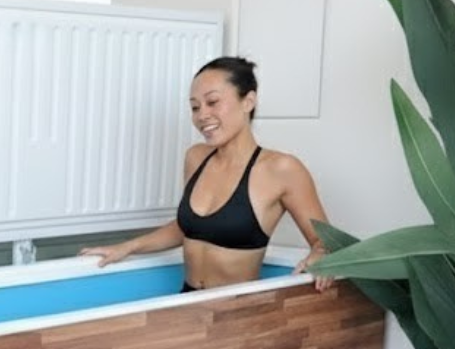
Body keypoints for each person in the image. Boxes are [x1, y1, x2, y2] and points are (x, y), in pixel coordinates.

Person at [81, 56, 333, 292]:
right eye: (194, 107)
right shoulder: (196, 157)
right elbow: (187, 228)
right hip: (188, 299)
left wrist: (320, 255)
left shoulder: (282, 169)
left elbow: (325, 241)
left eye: (213, 102)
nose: (202, 115)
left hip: (238, 313)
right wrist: (128, 247)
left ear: (248, 101)